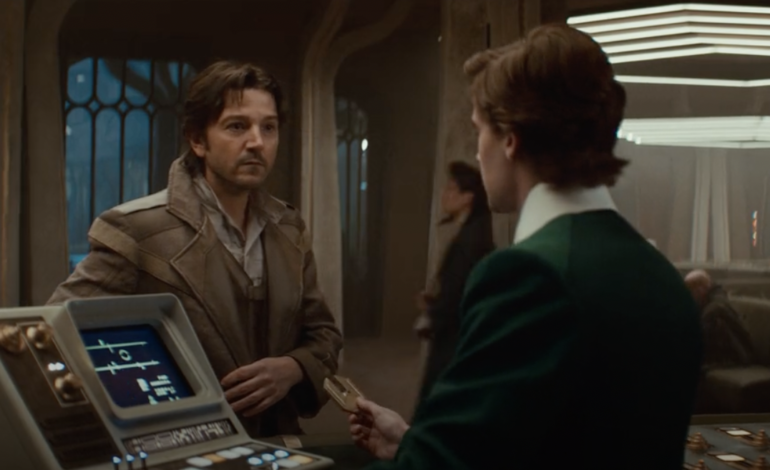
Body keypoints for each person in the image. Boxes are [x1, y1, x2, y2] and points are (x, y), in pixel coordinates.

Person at [349, 23, 703, 469]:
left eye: (479, 131)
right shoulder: (660, 275)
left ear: (510, 140)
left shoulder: (528, 276)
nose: (478, 153)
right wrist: (414, 442)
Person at [48, 60, 342, 438]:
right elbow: (54, 332)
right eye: (237, 126)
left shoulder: (288, 228)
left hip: (278, 442)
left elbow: (324, 335)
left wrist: (294, 368)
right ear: (197, 140)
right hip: (183, 444)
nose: (257, 142)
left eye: (268, 127)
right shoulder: (136, 229)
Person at [415, 161, 494, 402]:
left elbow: (457, 295)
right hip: (458, 333)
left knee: (438, 400)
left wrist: (432, 310)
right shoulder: (472, 233)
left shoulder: (470, 241)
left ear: (467, 198)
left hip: (456, 338)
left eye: (451, 189)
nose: (444, 194)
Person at [684, 270, 754, 369]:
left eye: (691, 292)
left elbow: (703, 334)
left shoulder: (716, 306)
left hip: (737, 355)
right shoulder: (707, 302)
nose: (690, 296)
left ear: (701, 289)